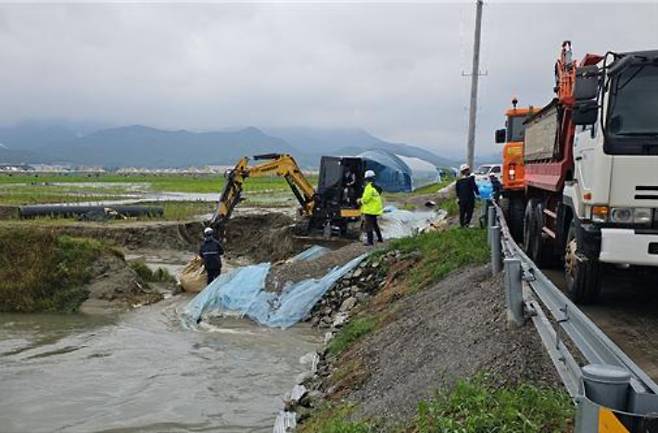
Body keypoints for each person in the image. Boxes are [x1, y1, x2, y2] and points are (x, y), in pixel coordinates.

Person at [358, 170, 384, 246]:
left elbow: (365, 199)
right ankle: (380, 238)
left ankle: (370, 242)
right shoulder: (376, 187)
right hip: (375, 210)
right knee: (375, 225)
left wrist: (359, 201)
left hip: (370, 210)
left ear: (367, 179)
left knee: (368, 225)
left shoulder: (368, 187)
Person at [455, 163, 479, 228]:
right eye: (468, 170)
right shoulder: (470, 179)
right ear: (466, 171)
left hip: (462, 200)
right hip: (469, 199)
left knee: (462, 213)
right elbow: (475, 187)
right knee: (469, 212)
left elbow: (457, 191)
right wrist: (478, 194)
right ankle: (467, 224)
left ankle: (462, 225)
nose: (469, 171)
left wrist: (458, 198)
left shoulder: (459, 181)